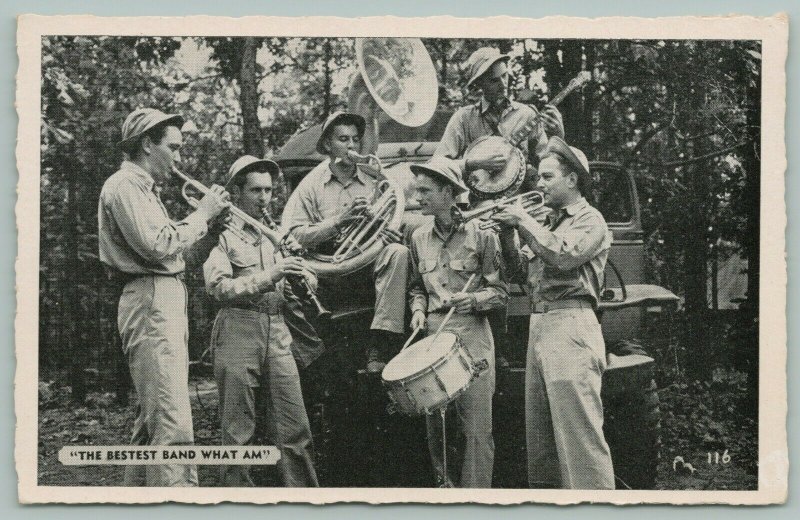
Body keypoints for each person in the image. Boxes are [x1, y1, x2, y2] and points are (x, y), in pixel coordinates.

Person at [98, 107, 230, 486]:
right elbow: (159, 246)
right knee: (173, 426)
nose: (178, 157)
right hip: (150, 300)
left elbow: (176, 255)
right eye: (173, 147)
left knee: (150, 426)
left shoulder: (142, 190)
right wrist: (202, 213)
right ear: (146, 144)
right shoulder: (125, 186)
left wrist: (209, 231)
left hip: (160, 298)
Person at [492, 136, 615, 489]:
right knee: (542, 445)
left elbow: (564, 256)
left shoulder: (591, 220)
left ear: (572, 179)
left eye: (547, 177)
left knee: (580, 442)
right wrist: (505, 236)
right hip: (541, 323)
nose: (540, 185)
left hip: (571, 323)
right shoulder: (546, 223)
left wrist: (523, 222)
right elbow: (518, 277)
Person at [203, 155, 319, 487]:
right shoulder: (221, 236)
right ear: (236, 192)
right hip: (238, 328)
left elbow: (308, 283)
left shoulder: (276, 233)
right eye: (255, 190)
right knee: (238, 432)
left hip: (278, 329)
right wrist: (270, 275)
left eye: (268, 190)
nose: (264, 198)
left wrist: (304, 274)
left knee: (295, 429)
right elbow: (219, 289)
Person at [281, 111, 409, 374]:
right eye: (343, 139)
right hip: (329, 277)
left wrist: (386, 235)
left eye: (354, 140)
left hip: (368, 269)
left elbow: (384, 224)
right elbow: (294, 235)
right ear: (328, 145)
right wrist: (338, 221)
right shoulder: (311, 187)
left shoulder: (374, 181)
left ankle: (379, 343)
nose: (351, 146)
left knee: (397, 252)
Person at [407, 157, 508, 488]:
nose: (417, 196)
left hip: (472, 334)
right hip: (433, 338)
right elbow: (416, 289)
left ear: (448, 192)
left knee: (476, 431)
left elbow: (500, 292)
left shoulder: (482, 234)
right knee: (438, 431)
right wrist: (418, 310)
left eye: (425, 190)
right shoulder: (418, 236)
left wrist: (474, 299)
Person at [435, 47, 564, 189]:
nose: (503, 85)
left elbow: (548, 163)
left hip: (522, 197)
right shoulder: (464, 118)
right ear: (479, 84)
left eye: (504, 76)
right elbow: (438, 164)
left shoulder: (527, 114)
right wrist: (473, 163)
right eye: (494, 80)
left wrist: (558, 135)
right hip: (479, 201)